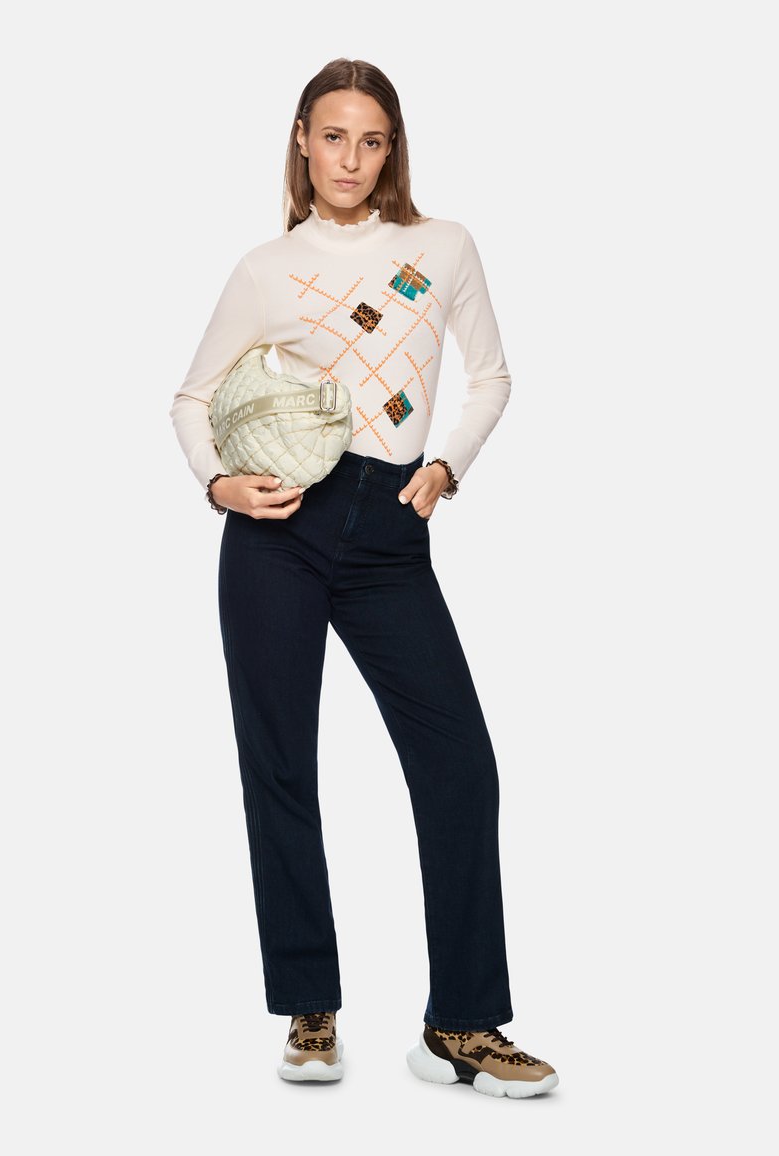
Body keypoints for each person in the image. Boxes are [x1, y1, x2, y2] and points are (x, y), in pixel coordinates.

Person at [169, 57, 558, 1100]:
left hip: (390, 530)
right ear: (302, 140)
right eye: (333, 136)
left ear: (393, 150)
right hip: (280, 528)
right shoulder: (265, 268)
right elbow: (192, 397)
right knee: (280, 765)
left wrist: (445, 466)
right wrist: (218, 484)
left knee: (459, 765)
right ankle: (310, 1007)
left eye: (371, 140)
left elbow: (492, 376)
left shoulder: (441, 247)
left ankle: (460, 1022)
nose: (350, 159)